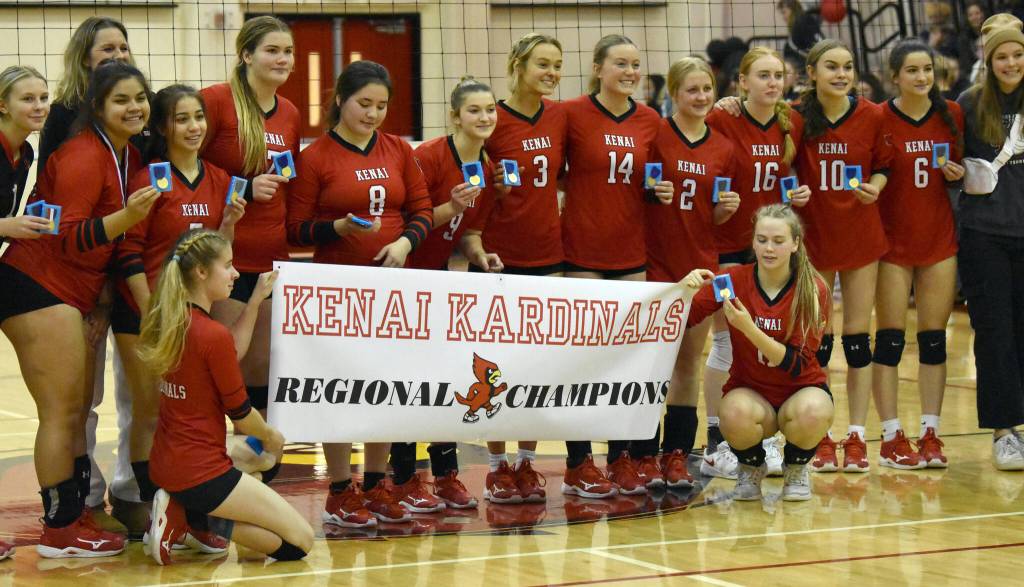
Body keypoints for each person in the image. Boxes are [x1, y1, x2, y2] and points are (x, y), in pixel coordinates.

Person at [0, 61, 159, 558]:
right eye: (120, 100)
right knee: (60, 412)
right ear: (97, 107)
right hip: (38, 285)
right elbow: (69, 239)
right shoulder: (84, 157)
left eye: (139, 98)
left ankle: (76, 515)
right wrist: (127, 216)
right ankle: (60, 528)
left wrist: (104, 301)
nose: (133, 107)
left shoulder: (125, 154)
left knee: (72, 412)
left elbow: (110, 248)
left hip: (71, 291)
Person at [287, 60, 432, 525]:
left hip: (389, 290)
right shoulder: (316, 158)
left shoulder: (398, 150)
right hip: (337, 289)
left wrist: (405, 241)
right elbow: (295, 229)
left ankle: (374, 483)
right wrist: (337, 227)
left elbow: (423, 209)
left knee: (385, 387)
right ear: (340, 102)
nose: (372, 114)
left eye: (381, 106)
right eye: (363, 104)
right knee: (341, 389)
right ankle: (337, 489)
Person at [114, 84, 247, 552]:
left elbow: (211, 252)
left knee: (195, 417)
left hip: (192, 319)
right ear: (164, 126)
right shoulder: (150, 179)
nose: (194, 127)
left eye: (199, 118)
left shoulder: (217, 177)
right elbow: (127, 251)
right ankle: (158, 512)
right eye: (183, 119)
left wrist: (228, 223)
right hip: (146, 316)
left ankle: (189, 518)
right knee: (150, 415)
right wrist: (153, 311)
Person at [141, 229, 313, 565]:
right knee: (299, 543)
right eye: (228, 265)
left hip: (166, 462)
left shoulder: (171, 321)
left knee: (262, 463)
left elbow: (224, 354)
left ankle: (190, 510)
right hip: (202, 474)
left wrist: (254, 299)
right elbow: (241, 414)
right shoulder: (212, 335)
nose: (236, 273)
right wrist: (272, 435)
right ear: (202, 272)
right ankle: (194, 518)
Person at [37, 15, 144, 535]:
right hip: (68, 276)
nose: (118, 54)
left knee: (121, 393)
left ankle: (115, 494)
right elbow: (64, 221)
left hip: (116, 272)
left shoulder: (132, 130)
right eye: (107, 48)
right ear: (85, 57)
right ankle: (77, 505)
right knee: (76, 400)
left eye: (125, 46)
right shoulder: (70, 128)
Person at [394, 77, 507, 510]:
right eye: (474, 111)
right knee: (406, 381)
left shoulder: (488, 166)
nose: (484, 118)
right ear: (455, 116)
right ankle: (403, 476)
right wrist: (450, 207)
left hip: (441, 279)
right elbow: (406, 223)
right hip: (404, 278)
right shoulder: (427, 158)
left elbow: (470, 232)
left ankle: (444, 474)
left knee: (445, 377)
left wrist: (481, 255)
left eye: (490, 111)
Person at [467, 32, 567, 504]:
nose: (550, 73)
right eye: (542, 64)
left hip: (549, 255)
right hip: (498, 257)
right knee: (493, 368)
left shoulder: (562, 116)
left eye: (557, 65)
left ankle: (527, 463)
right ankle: (494, 466)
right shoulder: (494, 119)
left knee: (538, 368)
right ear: (518, 65)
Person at [560, 33, 662, 498]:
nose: (629, 71)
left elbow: (666, 162)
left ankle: (622, 457)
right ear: (598, 68)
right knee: (584, 359)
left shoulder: (650, 120)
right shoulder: (573, 114)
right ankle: (579, 461)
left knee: (628, 359)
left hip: (630, 250)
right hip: (582, 249)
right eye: (620, 63)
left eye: (635, 64)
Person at [681, 204, 833, 502]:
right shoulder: (733, 281)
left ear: (795, 244)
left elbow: (796, 363)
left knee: (814, 412)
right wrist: (682, 288)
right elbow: (687, 316)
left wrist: (748, 329)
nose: (769, 248)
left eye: (778, 241)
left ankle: (795, 467)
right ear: (752, 241)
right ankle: (750, 467)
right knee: (733, 414)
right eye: (762, 240)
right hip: (751, 392)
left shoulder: (812, 288)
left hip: (799, 390)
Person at [706, 46, 810, 480]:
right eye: (763, 75)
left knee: (765, 339)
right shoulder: (723, 117)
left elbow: (791, 178)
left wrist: (798, 195)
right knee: (729, 341)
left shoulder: (793, 123)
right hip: (727, 245)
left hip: (770, 250)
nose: (773, 83)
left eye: (778, 75)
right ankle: (716, 441)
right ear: (742, 82)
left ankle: (759, 436)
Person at [789, 39, 892, 474]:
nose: (842, 74)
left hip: (860, 235)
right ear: (812, 72)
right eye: (831, 67)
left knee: (856, 341)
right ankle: (823, 437)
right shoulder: (794, 117)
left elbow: (884, 166)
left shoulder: (872, 115)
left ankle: (854, 435)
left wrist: (877, 187)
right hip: (814, 239)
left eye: (848, 67)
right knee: (819, 342)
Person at [201, 16, 300, 457]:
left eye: (288, 51)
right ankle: (207, 461)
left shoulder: (292, 113)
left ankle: (256, 458)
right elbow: (187, 170)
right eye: (272, 50)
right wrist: (239, 187)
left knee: (260, 367)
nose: (282, 59)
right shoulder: (215, 102)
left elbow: (289, 184)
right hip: (224, 255)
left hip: (270, 257)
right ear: (246, 55)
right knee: (223, 366)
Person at [643, 57, 740, 489]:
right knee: (648, 365)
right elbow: (635, 192)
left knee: (687, 365)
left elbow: (713, 215)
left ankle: (676, 456)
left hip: (700, 266)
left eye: (707, 89)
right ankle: (642, 454)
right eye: (692, 90)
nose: (701, 98)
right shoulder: (656, 136)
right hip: (653, 266)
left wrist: (723, 211)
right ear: (674, 93)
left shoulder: (723, 148)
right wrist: (651, 194)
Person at [874, 40, 965, 470]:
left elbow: (970, 170)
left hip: (938, 243)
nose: (921, 77)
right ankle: (891, 434)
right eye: (912, 70)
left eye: (927, 69)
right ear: (895, 76)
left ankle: (931, 432)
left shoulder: (953, 115)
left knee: (933, 341)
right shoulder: (878, 118)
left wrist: (959, 174)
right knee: (890, 343)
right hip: (892, 247)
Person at [957, 13, 1024, 470]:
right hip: (985, 236)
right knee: (995, 332)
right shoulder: (968, 104)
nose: (1011, 62)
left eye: (1018, 54)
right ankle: (1004, 431)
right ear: (988, 59)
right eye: (1002, 55)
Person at [0, 64, 51, 562]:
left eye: (43, 97)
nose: (38, 106)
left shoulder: (27, 150)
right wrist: (7, 225)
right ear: (3, 105)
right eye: (26, 99)